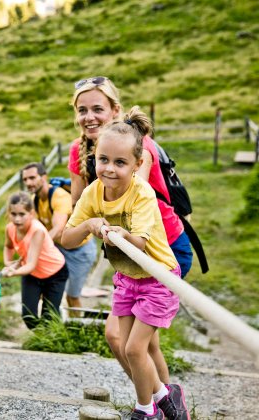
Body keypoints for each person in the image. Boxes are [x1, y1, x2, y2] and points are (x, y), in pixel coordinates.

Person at [68, 76, 191, 419]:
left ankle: (156, 406)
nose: (90, 116)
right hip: (125, 258)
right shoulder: (81, 152)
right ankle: (162, 401)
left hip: (159, 250)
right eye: (82, 110)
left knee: (131, 342)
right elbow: (78, 204)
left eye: (98, 108)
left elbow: (136, 195)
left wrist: (108, 229)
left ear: (115, 111)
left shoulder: (138, 149)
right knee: (136, 344)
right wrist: (82, 225)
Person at [21, 162, 97, 317]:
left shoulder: (59, 196)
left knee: (72, 296)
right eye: (25, 179)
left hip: (79, 251)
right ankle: (54, 326)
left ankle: (76, 329)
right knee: (48, 291)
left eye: (32, 178)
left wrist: (36, 247)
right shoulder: (34, 199)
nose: (28, 183)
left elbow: (58, 229)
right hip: (59, 249)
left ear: (44, 177)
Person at [1, 191, 68, 329]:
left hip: (55, 273)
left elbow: (31, 264)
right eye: (13, 214)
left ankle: (52, 339)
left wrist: (13, 272)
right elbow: (8, 247)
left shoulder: (37, 230)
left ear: (31, 214)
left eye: (22, 214)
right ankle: (42, 337)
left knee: (48, 317)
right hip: (32, 275)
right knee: (28, 316)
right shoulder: (10, 228)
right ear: (9, 213)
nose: (17, 219)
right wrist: (8, 263)